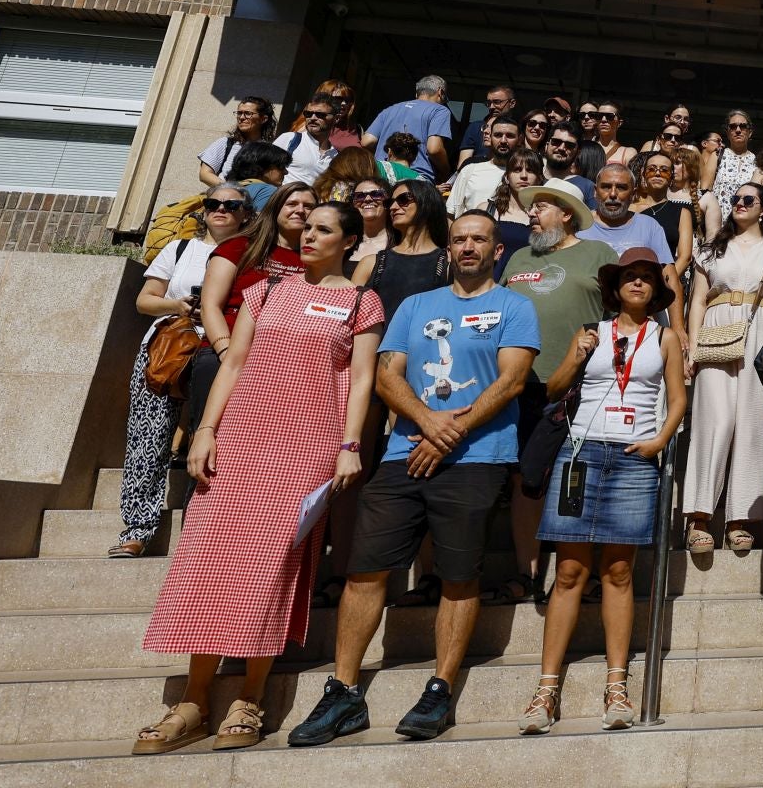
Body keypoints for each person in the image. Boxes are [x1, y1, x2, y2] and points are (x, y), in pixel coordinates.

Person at [136, 202, 382, 756]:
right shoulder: (267, 289)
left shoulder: (362, 301)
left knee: (271, 568)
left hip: (306, 448)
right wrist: (204, 431)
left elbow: (363, 378)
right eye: (306, 226)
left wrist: (349, 445)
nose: (308, 234)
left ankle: (251, 694)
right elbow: (234, 361)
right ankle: (194, 700)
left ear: (348, 241)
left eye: (323, 229)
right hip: (240, 440)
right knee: (209, 561)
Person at [288, 212, 537, 746]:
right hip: (403, 455)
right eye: (461, 238)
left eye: (480, 239)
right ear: (449, 248)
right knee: (364, 569)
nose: (469, 246)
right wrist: (427, 423)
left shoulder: (515, 307)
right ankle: (343, 692)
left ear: (497, 251)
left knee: (458, 575)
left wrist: (450, 433)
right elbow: (385, 373)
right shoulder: (415, 306)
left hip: (477, 459)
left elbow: (513, 379)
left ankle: (440, 689)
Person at [520, 246, 687, 734]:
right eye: (629, 277)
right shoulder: (592, 334)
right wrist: (575, 357)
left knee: (618, 571)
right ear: (615, 289)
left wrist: (658, 440)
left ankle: (617, 685)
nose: (638, 284)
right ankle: (546, 688)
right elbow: (553, 391)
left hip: (635, 457)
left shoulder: (667, 337)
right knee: (570, 570)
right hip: (582, 454)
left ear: (656, 290)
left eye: (647, 278)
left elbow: (677, 398)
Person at [110, 184, 253, 559]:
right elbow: (144, 301)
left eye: (231, 205)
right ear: (204, 210)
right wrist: (178, 304)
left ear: (245, 214)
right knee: (148, 436)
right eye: (213, 203)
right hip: (166, 350)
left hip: (222, 351)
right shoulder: (180, 248)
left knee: (211, 437)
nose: (220, 209)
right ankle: (137, 528)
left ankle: (201, 527)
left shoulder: (251, 255)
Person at [498, 178, 616, 603]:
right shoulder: (517, 258)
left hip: (577, 384)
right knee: (524, 479)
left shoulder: (598, 254)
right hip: (517, 384)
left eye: (542, 207)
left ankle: (577, 575)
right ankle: (527, 574)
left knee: (574, 478)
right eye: (532, 208)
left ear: (567, 214)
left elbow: (618, 311)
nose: (532, 213)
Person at [683, 184, 763, 554]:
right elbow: (697, 300)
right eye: (736, 200)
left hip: (761, 333)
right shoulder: (712, 247)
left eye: (749, 200)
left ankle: (740, 518)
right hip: (716, 331)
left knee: (753, 422)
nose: (740, 205)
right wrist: (693, 348)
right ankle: (699, 515)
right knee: (713, 420)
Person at [183, 183, 314, 445]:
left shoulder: (314, 260)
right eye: (292, 204)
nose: (300, 210)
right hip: (224, 353)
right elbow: (210, 305)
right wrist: (226, 352)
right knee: (211, 444)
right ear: (276, 207)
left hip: (279, 363)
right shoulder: (239, 246)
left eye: (308, 206)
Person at [354, 180, 453, 333]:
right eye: (390, 202)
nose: (393, 207)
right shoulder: (371, 263)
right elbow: (349, 315)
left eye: (403, 199)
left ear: (427, 202)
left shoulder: (448, 263)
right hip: (373, 351)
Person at [361, 75, 453, 182]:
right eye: (445, 99)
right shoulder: (440, 110)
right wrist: (446, 171)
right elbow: (434, 149)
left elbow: (366, 141)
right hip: (414, 179)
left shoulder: (390, 109)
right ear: (440, 92)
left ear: (416, 94)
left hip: (380, 174)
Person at [629, 149, 694, 279]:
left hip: (663, 282)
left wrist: (665, 284)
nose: (657, 174)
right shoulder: (629, 209)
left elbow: (685, 257)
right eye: (652, 169)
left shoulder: (681, 212)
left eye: (664, 170)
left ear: (671, 176)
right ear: (643, 174)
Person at [482, 151, 543, 277]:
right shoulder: (487, 210)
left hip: (527, 286)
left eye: (530, 170)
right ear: (506, 177)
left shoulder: (543, 216)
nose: (524, 176)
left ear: (539, 178)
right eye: (517, 170)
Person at [447, 113, 520, 217]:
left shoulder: (525, 176)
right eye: (498, 135)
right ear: (490, 137)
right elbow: (450, 213)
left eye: (510, 136)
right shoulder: (469, 170)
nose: (503, 140)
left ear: (520, 140)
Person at [197, 96, 276, 188]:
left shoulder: (269, 151)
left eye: (248, 113)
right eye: (239, 113)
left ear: (263, 119)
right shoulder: (226, 143)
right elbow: (204, 174)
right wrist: (234, 190)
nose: (242, 117)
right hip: (224, 199)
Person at [275, 93, 340, 187]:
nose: (312, 118)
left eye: (320, 115)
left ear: (336, 118)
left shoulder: (336, 156)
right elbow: (266, 171)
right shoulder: (289, 139)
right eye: (308, 114)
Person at [455, 85, 516, 169]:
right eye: (488, 103)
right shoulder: (476, 127)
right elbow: (462, 165)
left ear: (512, 103)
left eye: (497, 102)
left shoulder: (519, 129)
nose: (491, 107)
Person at [541, 124, 597, 208]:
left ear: (578, 153)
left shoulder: (587, 187)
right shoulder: (529, 177)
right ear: (546, 145)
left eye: (569, 145)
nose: (561, 148)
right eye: (556, 142)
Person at [594, 98, 634, 168]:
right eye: (599, 116)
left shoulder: (628, 153)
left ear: (619, 123)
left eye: (610, 116)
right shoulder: (585, 148)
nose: (603, 120)